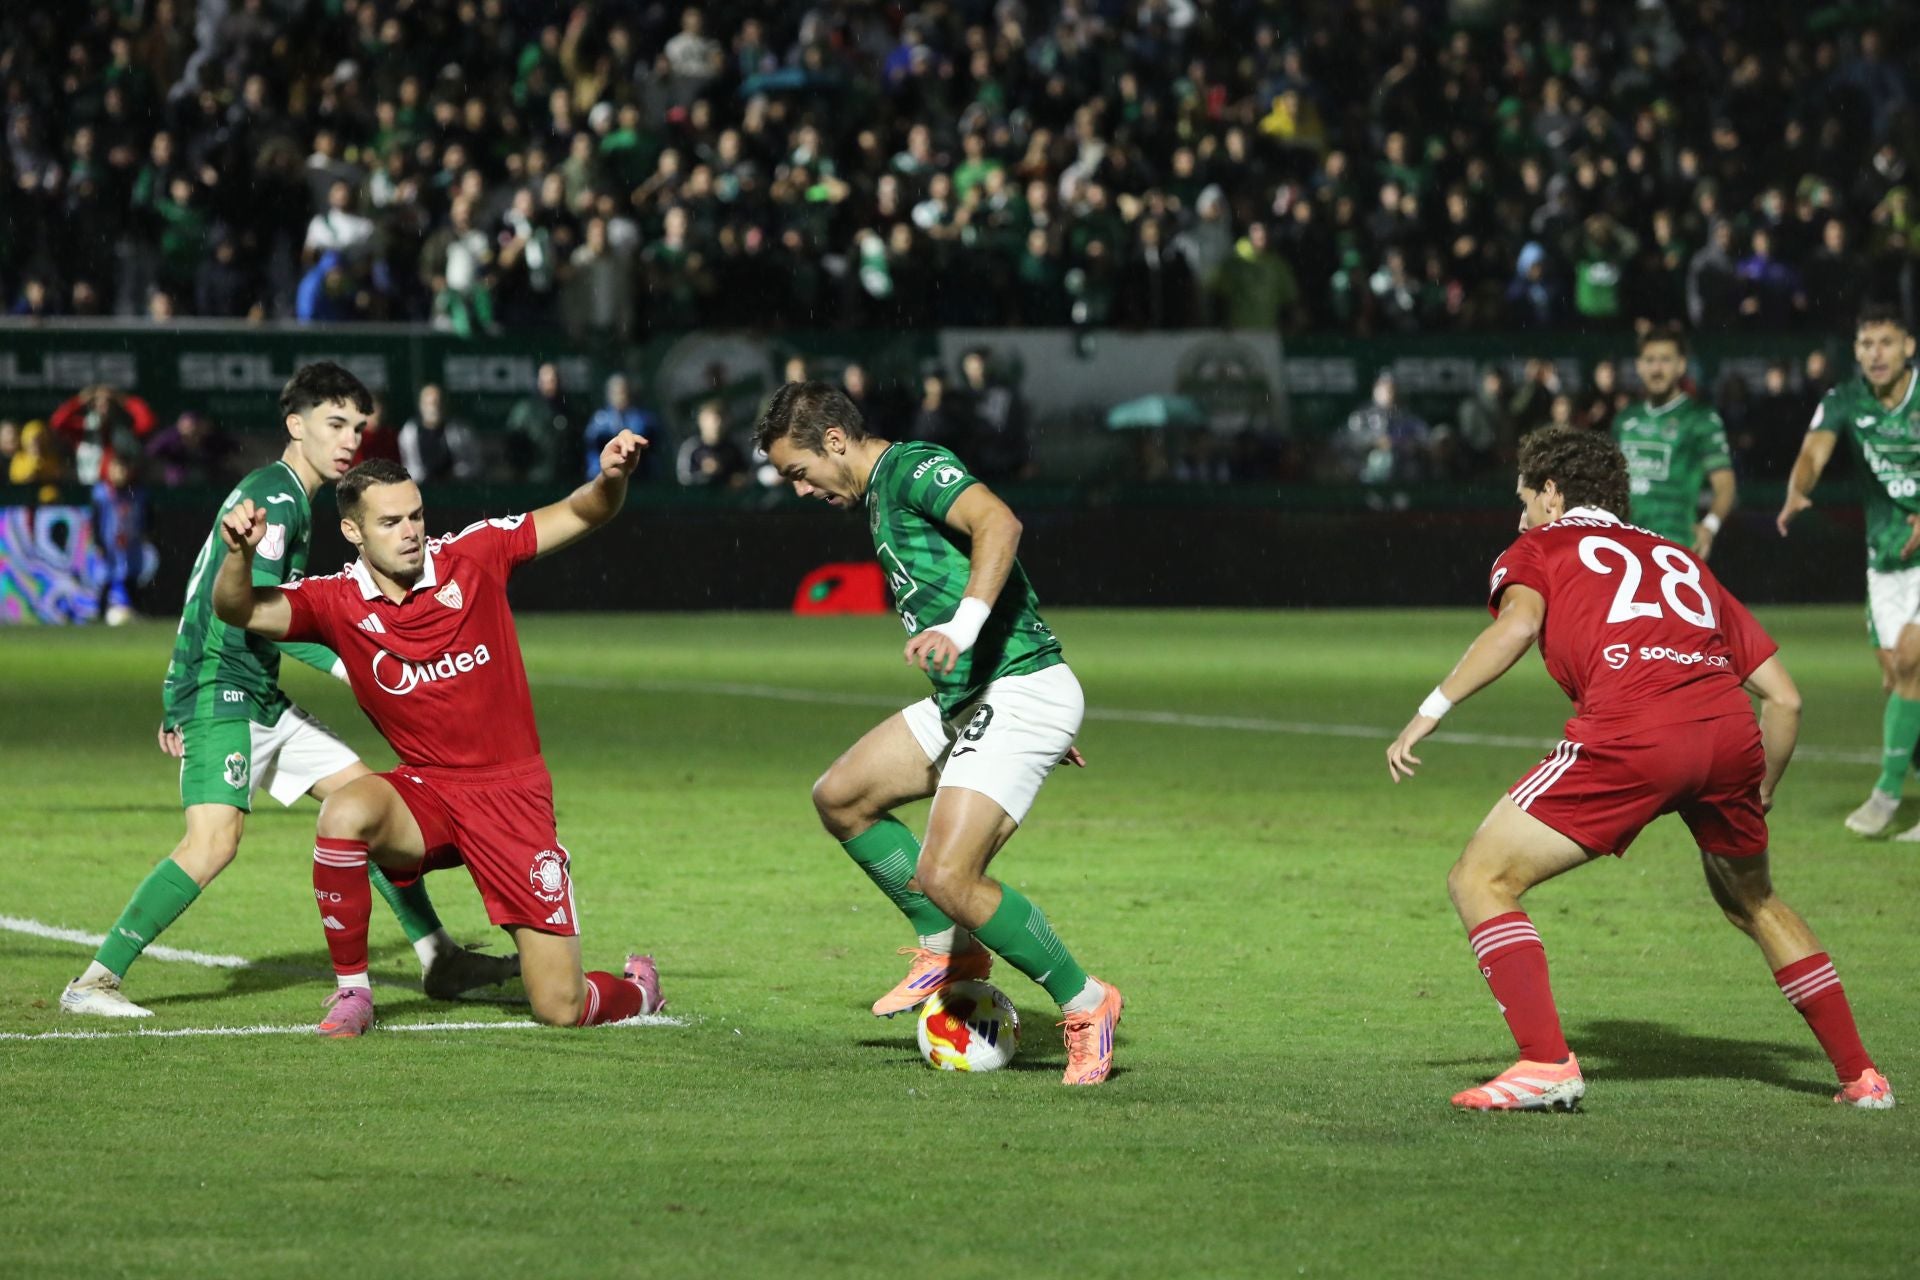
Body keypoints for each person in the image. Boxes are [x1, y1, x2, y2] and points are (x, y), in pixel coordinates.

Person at [1387, 427, 1892, 1112]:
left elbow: (1517, 627)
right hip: (1727, 733)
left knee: (1480, 878)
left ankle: (1545, 1063)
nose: (1521, 517)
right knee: (1755, 901)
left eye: (1525, 500)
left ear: (1552, 495)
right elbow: (1785, 699)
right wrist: (1760, 788)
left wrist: (1431, 709)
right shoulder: (1678, 557)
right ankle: (1863, 1078)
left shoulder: (1541, 546)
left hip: (1634, 734)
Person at [60, 363, 512, 1019]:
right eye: (335, 424)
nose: (350, 439)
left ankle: (439, 956)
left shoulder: (282, 495)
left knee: (370, 808)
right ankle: (93, 982)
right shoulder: (275, 499)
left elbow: (211, 591)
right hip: (225, 691)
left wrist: (176, 687)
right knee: (213, 842)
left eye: (358, 427)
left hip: (253, 693)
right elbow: (257, 610)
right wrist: (352, 665)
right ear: (296, 426)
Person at [207, 438, 664, 1036]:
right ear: (353, 532)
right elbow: (238, 608)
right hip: (430, 796)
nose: (410, 532)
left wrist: (610, 478)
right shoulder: (335, 602)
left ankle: (639, 990)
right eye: (390, 522)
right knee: (344, 811)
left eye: (416, 516)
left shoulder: (476, 554)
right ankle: (353, 993)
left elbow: (584, 510)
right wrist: (238, 555)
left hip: (512, 798)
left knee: (560, 1007)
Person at [754, 381, 1124, 1086]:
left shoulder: (911, 468)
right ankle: (951, 946)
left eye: (799, 472)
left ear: (834, 441)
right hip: (976, 698)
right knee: (841, 796)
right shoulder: (876, 495)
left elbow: (999, 524)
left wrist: (965, 628)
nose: (799, 490)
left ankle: (1088, 1003)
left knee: (947, 875)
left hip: (1017, 688)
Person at [1778, 303, 1920, 838]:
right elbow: (1813, 454)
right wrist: (1798, 489)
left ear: (1908, 347)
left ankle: (1886, 793)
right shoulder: (1844, 400)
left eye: (1886, 342)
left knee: (1912, 662)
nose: (1876, 354)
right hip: (1886, 556)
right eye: (1866, 344)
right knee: (1896, 678)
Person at [1612, 325, 1736, 557]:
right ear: (1639, 366)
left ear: (1681, 365)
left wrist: (1709, 526)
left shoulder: (1700, 418)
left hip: (1675, 547)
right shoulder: (1625, 419)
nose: (1656, 369)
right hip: (1626, 547)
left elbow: (1725, 484)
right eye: (1650, 360)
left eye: (1665, 360)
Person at [91, 453, 148, 625]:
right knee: (106, 577)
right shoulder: (101, 493)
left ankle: (136, 611)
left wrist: (145, 534)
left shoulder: (137, 493)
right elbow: (95, 520)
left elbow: (147, 516)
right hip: (109, 544)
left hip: (130, 543)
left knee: (131, 577)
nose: (120, 473)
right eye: (116, 469)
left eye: (123, 469)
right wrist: (98, 542)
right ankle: (100, 613)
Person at [503, 361, 579, 485]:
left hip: (563, 477)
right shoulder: (525, 409)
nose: (549, 385)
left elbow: (573, 442)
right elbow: (513, 443)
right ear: (538, 381)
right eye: (545, 380)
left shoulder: (567, 409)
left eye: (553, 380)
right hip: (532, 477)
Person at [399, 384, 482, 483]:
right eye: (430, 403)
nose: (435, 407)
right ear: (421, 406)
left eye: (439, 402)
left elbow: (475, 464)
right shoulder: (409, 433)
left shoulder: (461, 432)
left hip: (457, 487)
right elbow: (408, 467)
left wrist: (454, 474)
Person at [584, 374, 660, 480]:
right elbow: (594, 443)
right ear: (609, 395)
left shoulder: (642, 418)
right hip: (604, 477)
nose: (620, 396)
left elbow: (648, 440)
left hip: (638, 476)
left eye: (623, 392)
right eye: (615, 392)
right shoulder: (599, 419)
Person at [675, 399, 748, 487]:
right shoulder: (691, 448)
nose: (717, 423)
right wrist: (705, 473)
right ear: (701, 420)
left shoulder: (732, 448)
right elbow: (684, 480)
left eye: (721, 418)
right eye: (713, 419)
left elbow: (745, 473)